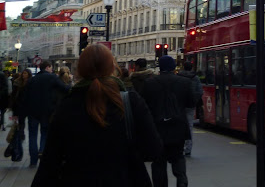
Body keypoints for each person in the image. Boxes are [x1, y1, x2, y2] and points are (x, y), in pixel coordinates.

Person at [31, 44, 162, 186]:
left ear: (80, 70)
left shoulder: (67, 105)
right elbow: (153, 149)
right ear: (112, 68)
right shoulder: (130, 102)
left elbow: (50, 161)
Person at [142, 55, 195, 187]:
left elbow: (144, 105)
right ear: (173, 67)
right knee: (178, 157)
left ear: (160, 67)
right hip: (178, 127)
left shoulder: (149, 83)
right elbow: (191, 103)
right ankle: (181, 181)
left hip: (157, 128)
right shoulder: (185, 82)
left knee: (159, 161)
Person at [22, 60, 71, 167]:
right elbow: (65, 88)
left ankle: (33, 161)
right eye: (51, 68)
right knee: (45, 133)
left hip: (33, 112)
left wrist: (23, 113)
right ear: (48, 67)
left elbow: (25, 97)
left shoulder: (32, 80)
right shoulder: (52, 77)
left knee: (32, 135)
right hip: (47, 111)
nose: (52, 70)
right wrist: (71, 82)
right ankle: (42, 152)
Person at [177, 61, 203, 156]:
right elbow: (200, 91)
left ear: (183, 67)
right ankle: (188, 148)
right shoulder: (195, 77)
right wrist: (194, 100)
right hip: (191, 105)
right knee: (189, 126)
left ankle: (180, 146)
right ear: (191, 68)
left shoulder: (178, 77)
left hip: (180, 105)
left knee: (179, 125)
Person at [9, 69, 32, 142]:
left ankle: (21, 133)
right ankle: (21, 134)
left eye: (26, 73)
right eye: (23, 73)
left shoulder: (31, 82)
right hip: (19, 104)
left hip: (28, 104)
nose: (24, 75)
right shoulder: (18, 82)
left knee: (24, 121)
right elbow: (14, 94)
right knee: (21, 121)